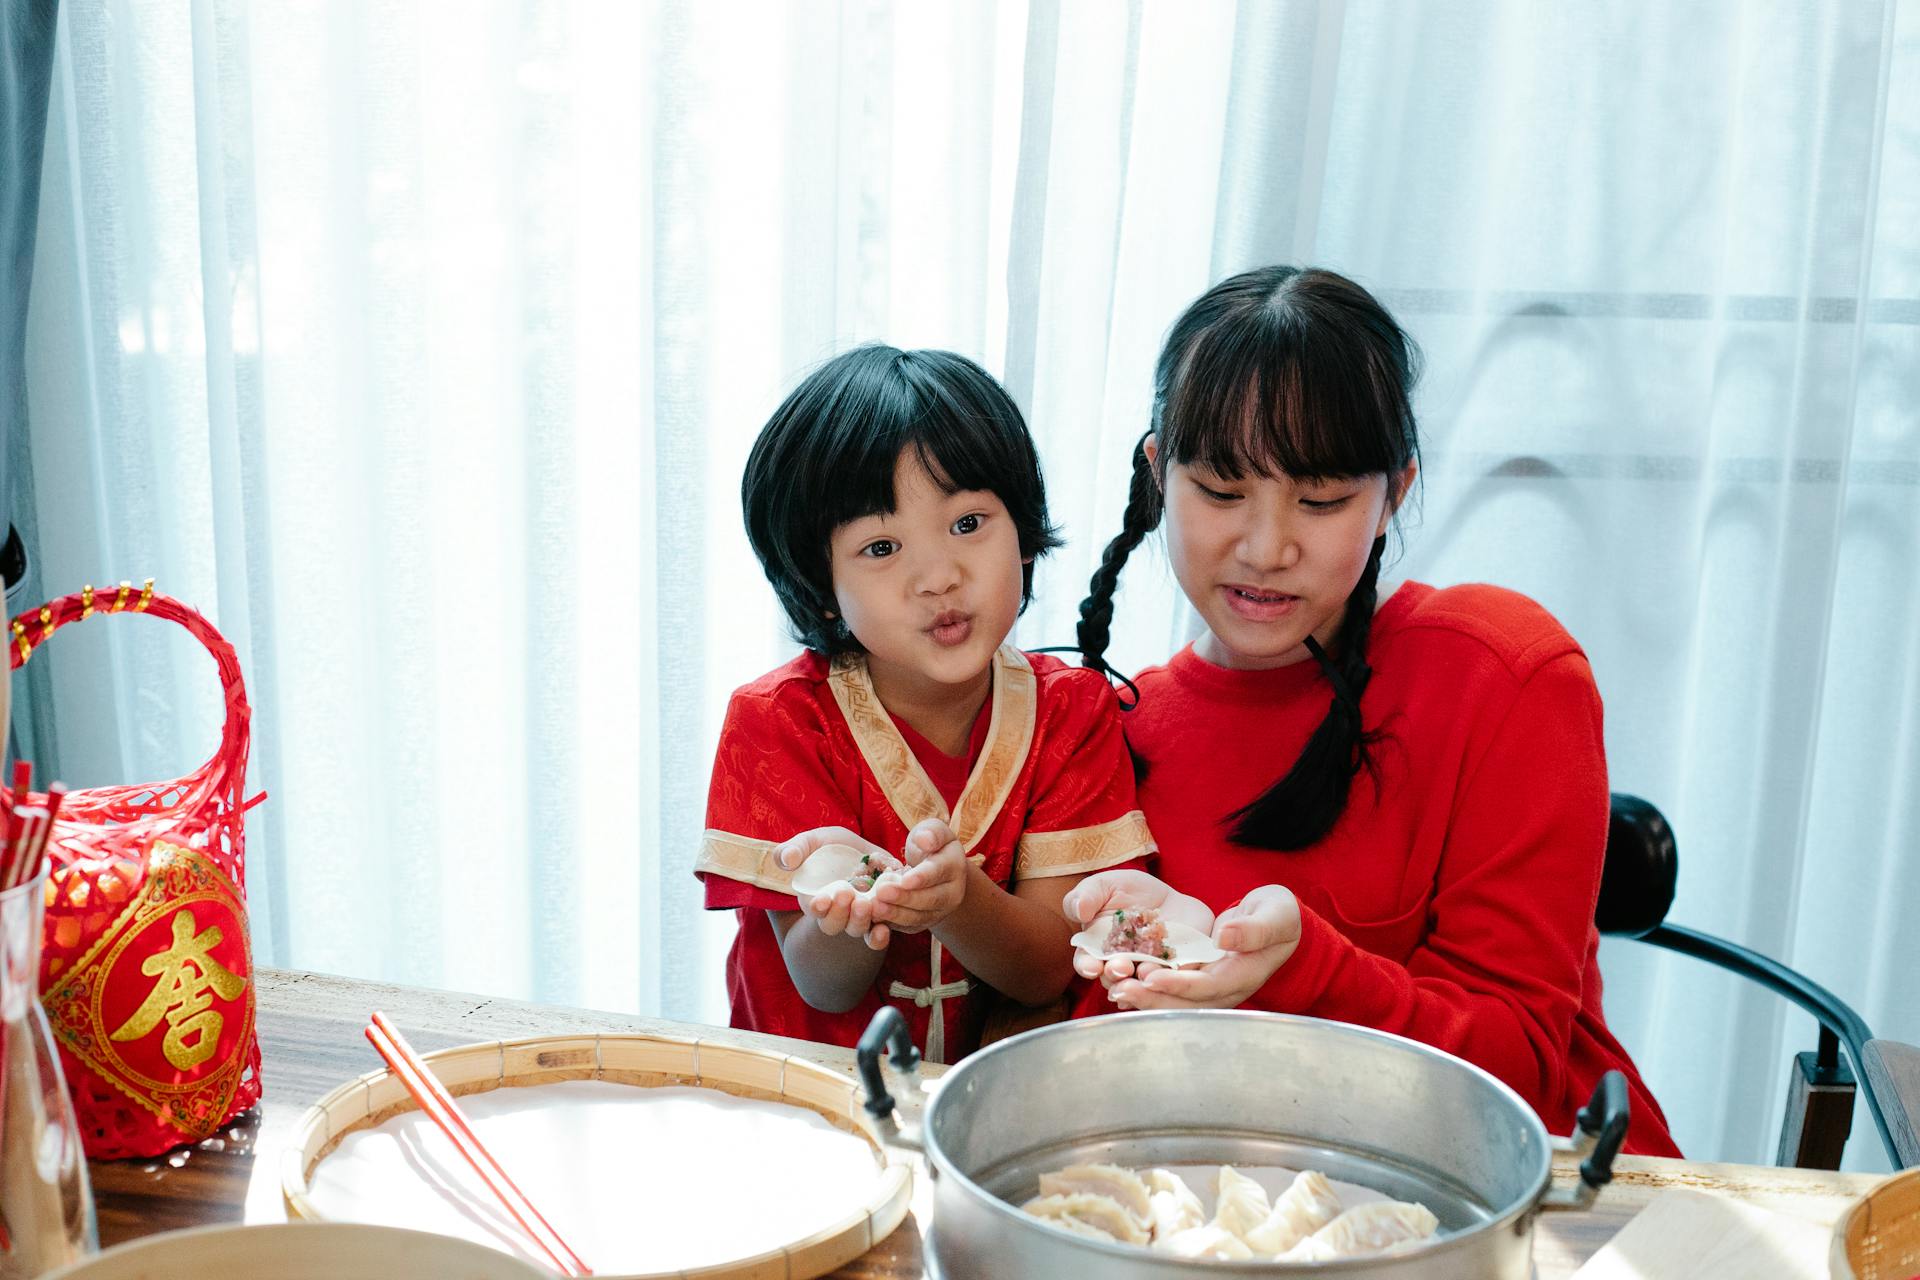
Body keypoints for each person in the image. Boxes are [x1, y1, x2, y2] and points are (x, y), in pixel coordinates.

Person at [1064, 266, 1681, 1155]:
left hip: (1529, 1195)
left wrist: (1303, 969)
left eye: (1321, 500)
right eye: (1222, 491)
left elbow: (1516, 1069)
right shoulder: (1112, 726)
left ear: (1394, 490)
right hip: (1232, 1200)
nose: (1266, 547)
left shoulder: (1504, 675)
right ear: (1160, 476)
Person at [696, 345, 1154, 1064]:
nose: (938, 576)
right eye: (881, 546)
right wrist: (853, 909)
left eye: (969, 524)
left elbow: (1045, 972)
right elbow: (822, 987)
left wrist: (957, 900)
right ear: (820, 585)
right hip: (805, 1110)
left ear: (1026, 532)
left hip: (983, 1118)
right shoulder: (777, 721)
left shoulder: (1073, 711)